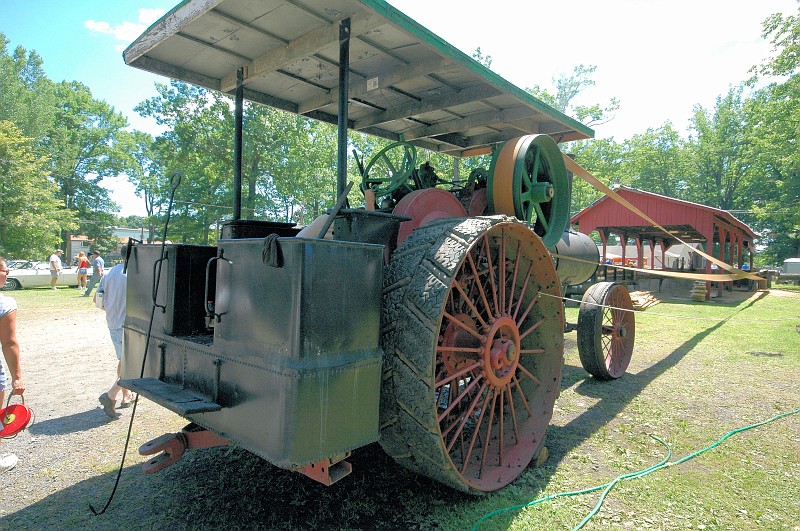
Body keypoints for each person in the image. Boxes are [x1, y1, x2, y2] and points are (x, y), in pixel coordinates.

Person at [96, 246, 133, 418]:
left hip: (113, 322)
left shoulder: (110, 273)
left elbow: (97, 299)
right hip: (129, 324)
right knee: (133, 364)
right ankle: (111, 395)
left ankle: (126, 396)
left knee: (123, 360)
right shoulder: (133, 274)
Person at [0, 257, 26, 472]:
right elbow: (9, 342)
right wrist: (17, 377)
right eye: (4, 270)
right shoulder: (5, 303)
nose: (7, 273)